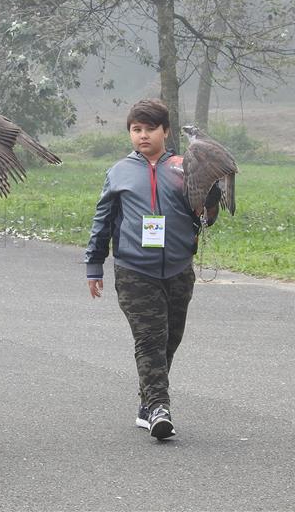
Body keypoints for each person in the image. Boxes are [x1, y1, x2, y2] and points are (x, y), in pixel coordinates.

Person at [84, 99, 221, 440]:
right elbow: (103, 221)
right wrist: (94, 265)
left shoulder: (185, 167)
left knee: (169, 340)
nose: (143, 136)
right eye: (136, 130)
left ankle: (147, 402)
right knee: (149, 339)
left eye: (149, 129)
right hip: (134, 270)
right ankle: (160, 407)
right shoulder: (118, 172)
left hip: (178, 268)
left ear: (166, 131)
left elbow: (205, 217)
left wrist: (212, 199)